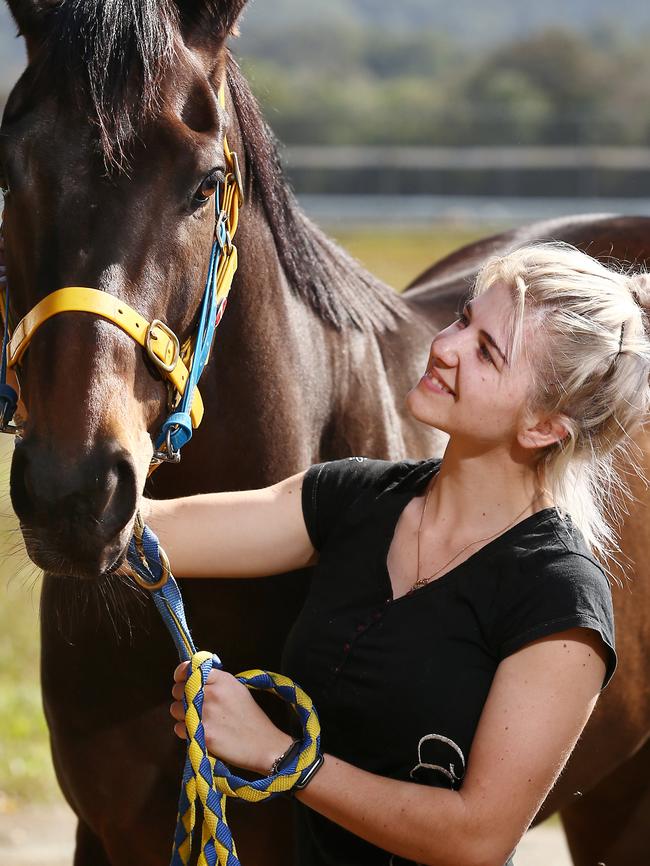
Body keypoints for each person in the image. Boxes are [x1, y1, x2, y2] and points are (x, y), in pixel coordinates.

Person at [142, 242, 650, 866]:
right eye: (464, 319)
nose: (445, 346)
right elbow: (144, 533)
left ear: (544, 426)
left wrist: (282, 758)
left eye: (487, 351)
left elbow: (477, 838)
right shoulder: (355, 499)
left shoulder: (559, 598)